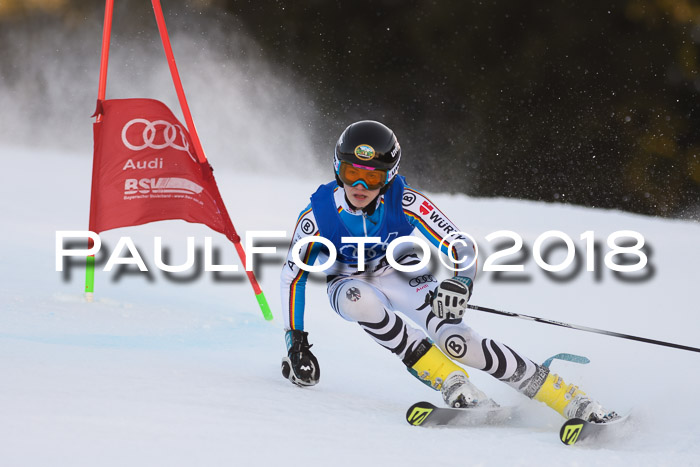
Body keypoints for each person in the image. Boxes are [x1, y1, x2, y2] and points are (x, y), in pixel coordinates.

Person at [279, 120, 617, 422]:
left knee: (458, 342)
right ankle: (451, 381)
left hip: (402, 273)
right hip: (348, 281)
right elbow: (293, 276)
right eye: (352, 173)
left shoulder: (405, 201)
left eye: (373, 176)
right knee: (360, 301)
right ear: (337, 169)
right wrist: (296, 342)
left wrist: (461, 281)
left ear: (389, 177)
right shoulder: (316, 217)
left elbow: (458, 243)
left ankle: (568, 397)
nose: (361, 186)